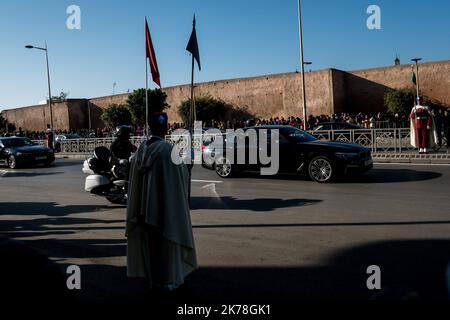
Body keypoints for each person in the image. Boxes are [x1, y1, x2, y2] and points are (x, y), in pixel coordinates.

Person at [126, 112, 197, 292]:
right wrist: (187, 167)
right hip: (164, 211)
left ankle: (153, 280)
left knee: (150, 248)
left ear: (149, 128)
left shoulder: (141, 150)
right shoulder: (168, 150)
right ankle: (167, 282)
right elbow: (179, 176)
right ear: (165, 128)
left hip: (144, 212)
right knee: (166, 248)